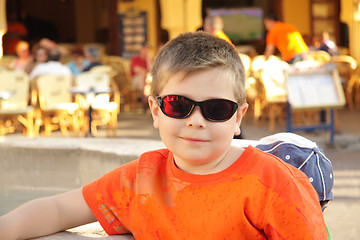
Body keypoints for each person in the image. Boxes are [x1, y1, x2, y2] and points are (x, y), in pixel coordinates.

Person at [0, 32, 327, 239]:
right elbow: (58, 209)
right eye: (178, 104)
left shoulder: (275, 186)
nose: (196, 121)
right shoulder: (139, 181)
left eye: (216, 109)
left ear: (238, 117)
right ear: (156, 111)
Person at [130, 43, 153, 108]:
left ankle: (144, 97)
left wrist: (148, 59)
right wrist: (145, 72)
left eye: (148, 50)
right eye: (145, 49)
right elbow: (136, 69)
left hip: (148, 80)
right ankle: (144, 98)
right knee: (142, 75)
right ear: (141, 50)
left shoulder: (151, 60)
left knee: (148, 78)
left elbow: (152, 71)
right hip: (136, 80)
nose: (146, 51)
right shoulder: (135, 59)